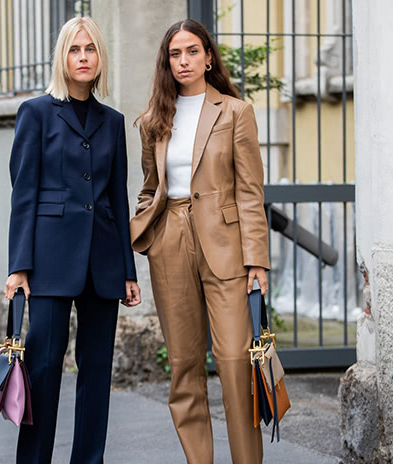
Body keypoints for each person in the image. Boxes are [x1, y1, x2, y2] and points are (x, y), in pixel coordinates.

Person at [129, 19, 270, 464]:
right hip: (170, 241)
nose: (184, 61)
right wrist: (147, 230)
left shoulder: (235, 112)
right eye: (175, 54)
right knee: (185, 367)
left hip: (226, 245)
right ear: (166, 63)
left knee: (234, 363)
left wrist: (258, 262)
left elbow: (250, 193)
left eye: (192, 51)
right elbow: (150, 188)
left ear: (208, 57)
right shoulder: (152, 120)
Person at [4, 16, 141, 464]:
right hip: (49, 261)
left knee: (97, 371)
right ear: (62, 57)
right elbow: (23, 193)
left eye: (91, 50)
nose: (83, 57)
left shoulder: (113, 121)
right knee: (43, 368)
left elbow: (117, 198)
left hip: (102, 263)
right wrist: (18, 264)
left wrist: (127, 269)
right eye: (74, 49)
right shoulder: (37, 112)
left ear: (100, 58)